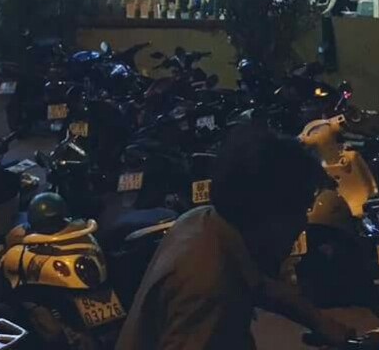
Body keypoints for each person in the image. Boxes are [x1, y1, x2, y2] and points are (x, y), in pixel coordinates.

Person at [116, 126, 353, 350]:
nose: (302, 223)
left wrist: (319, 321)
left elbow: (260, 284)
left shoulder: (204, 222)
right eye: (298, 210)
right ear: (264, 212)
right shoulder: (209, 287)